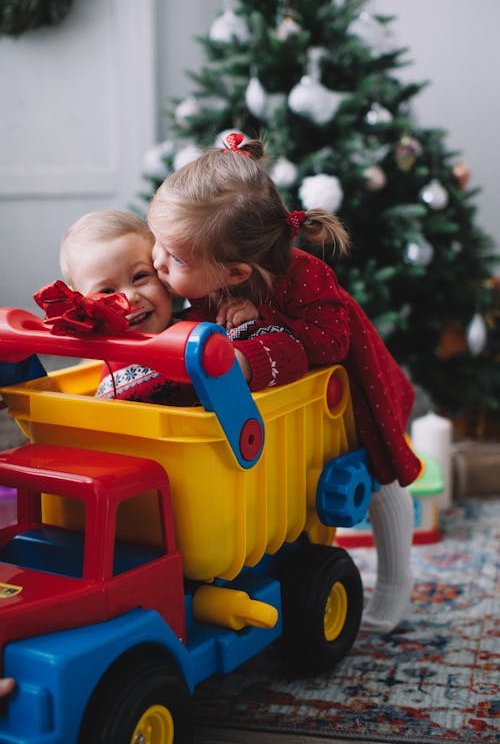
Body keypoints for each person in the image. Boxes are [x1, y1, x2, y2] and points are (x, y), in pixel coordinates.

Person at [147, 133, 422, 634]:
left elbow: (332, 342)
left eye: (175, 258)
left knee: (378, 475)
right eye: (157, 244)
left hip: (353, 388)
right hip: (294, 408)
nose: (158, 263)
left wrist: (253, 343)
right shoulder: (208, 279)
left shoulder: (304, 275)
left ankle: (396, 582)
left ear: (234, 271)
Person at [53, 209, 307, 400]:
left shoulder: (205, 328)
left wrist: (233, 363)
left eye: (140, 277)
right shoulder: (102, 357)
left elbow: (292, 353)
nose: (130, 298)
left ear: (164, 275)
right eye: (106, 291)